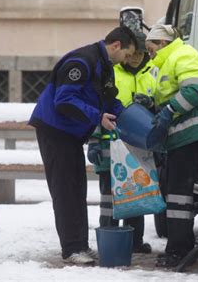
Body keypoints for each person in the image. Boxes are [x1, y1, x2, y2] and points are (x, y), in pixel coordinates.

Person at [28, 26, 137, 265]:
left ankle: (80, 245)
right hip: (55, 130)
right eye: (127, 55)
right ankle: (72, 249)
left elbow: (110, 100)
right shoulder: (82, 61)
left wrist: (133, 118)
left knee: (77, 188)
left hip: (70, 134)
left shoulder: (104, 65)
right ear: (116, 45)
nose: (126, 61)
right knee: (66, 190)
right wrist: (98, 117)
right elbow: (64, 100)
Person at [145, 24, 198, 267]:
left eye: (151, 47)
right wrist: (152, 103)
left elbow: (195, 91)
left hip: (189, 133)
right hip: (179, 135)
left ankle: (180, 249)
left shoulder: (183, 55)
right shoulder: (167, 60)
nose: (149, 52)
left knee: (179, 195)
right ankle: (179, 245)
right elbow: (169, 92)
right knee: (174, 193)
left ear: (163, 42)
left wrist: (168, 111)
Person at [87, 31, 156, 254]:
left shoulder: (154, 73)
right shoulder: (110, 72)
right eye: (132, 53)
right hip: (110, 147)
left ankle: (135, 241)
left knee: (137, 193)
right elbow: (97, 107)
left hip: (139, 147)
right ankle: (108, 239)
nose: (134, 58)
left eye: (140, 54)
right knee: (109, 197)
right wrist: (94, 141)